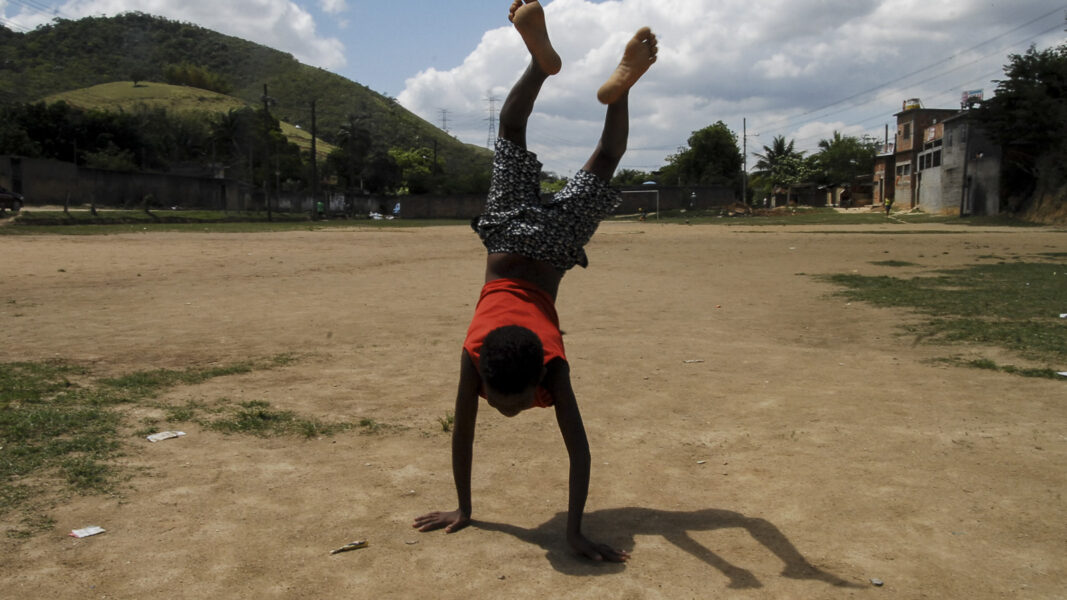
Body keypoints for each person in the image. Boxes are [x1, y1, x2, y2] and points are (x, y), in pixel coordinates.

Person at [412, 0, 657, 563]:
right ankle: (549, 68)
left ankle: (611, 90)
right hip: (506, 238)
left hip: (551, 251)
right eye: (514, 406)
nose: (511, 412)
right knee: (511, 127)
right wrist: (564, 531)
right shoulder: (491, 360)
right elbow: (575, 453)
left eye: (511, 405)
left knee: (607, 154)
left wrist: (467, 508)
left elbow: (469, 435)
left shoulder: (536, 366)